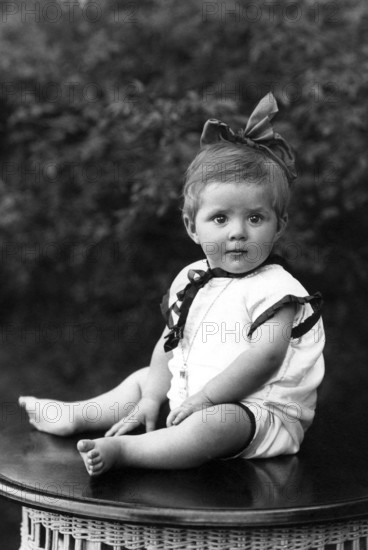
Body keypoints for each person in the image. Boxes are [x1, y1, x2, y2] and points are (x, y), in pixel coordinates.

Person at [19, 93, 325, 475]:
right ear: (190, 226)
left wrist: (206, 399)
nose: (237, 233)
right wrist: (152, 396)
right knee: (143, 379)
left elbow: (265, 358)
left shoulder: (279, 290)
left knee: (214, 425)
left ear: (279, 226)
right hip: (194, 393)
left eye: (255, 219)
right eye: (220, 219)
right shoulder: (191, 278)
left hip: (256, 412)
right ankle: (79, 414)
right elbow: (170, 339)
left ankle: (126, 452)